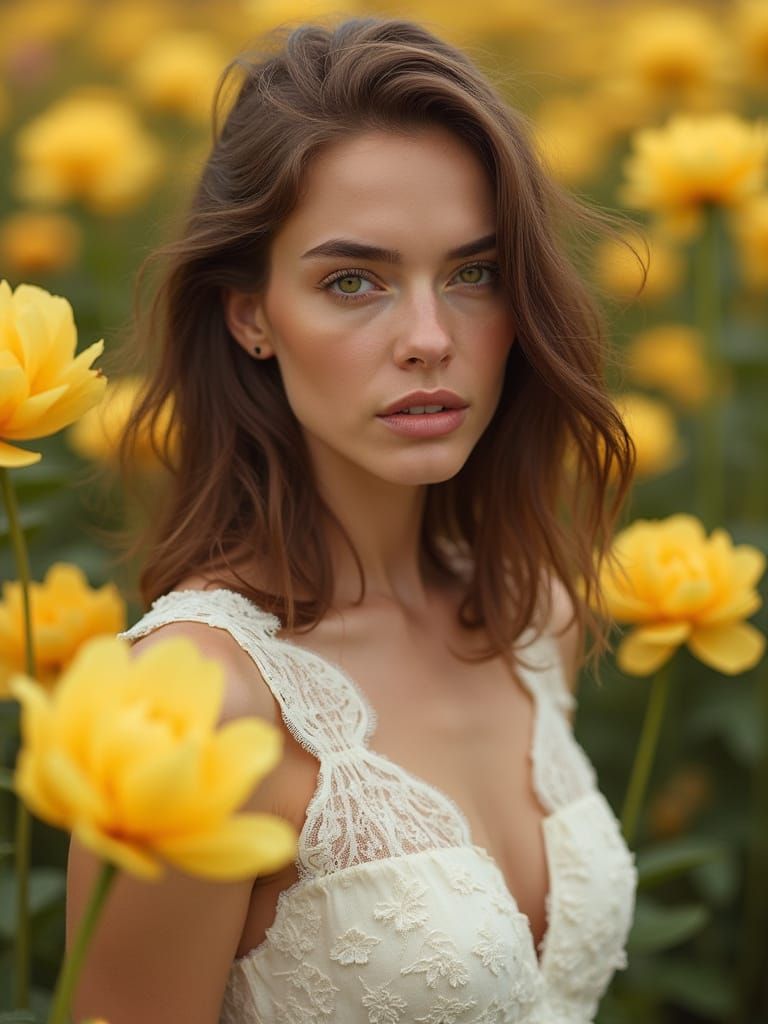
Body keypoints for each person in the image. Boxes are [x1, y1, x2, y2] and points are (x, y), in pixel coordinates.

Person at [66, 16, 639, 1024]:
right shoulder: (193, 701)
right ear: (249, 313)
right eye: (352, 281)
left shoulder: (527, 612)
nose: (429, 338)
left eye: (473, 273)